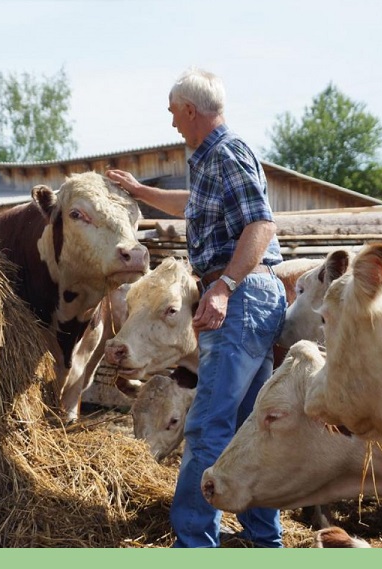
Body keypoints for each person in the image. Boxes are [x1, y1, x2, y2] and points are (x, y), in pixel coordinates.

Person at [106, 67, 286, 548]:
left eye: (172, 113)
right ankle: (264, 541)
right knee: (253, 429)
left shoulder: (226, 152)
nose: (171, 124)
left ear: (190, 109)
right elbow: (194, 204)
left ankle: (193, 546)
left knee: (206, 424)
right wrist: (142, 193)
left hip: (242, 296)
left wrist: (224, 285)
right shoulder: (209, 163)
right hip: (251, 295)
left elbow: (260, 226)